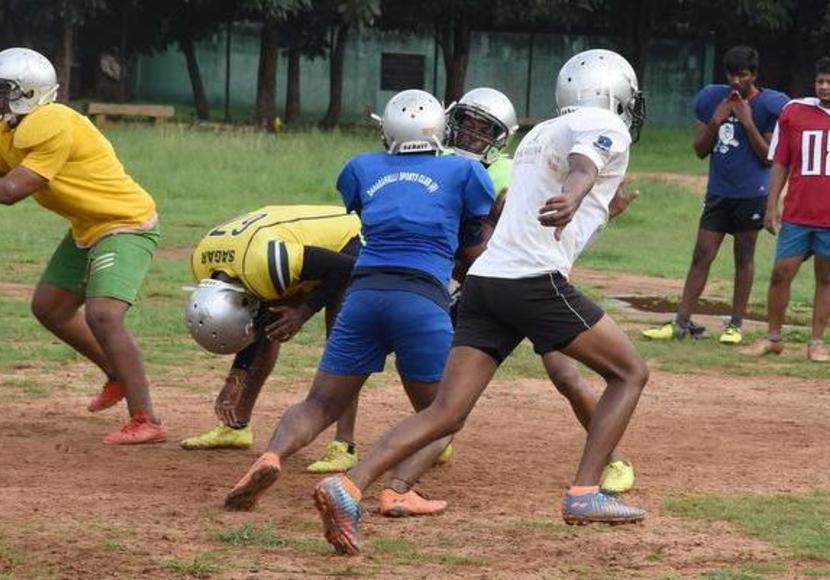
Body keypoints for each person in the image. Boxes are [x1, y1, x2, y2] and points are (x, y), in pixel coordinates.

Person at [313, 49, 650, 556]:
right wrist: (579, 192)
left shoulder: (539, 134)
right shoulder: (606, 124)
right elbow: (583, 166)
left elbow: (528, 205)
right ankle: (584, 492)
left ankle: (349, 485)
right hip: (532, 281)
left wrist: (593, 206)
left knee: (446, 412)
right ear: (615, 92)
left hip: (487, 282)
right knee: (629, 372)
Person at [223, 89, 495, 517]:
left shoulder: (362, 167)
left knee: (320, 403)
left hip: (362, 292)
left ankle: (271, 457)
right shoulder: (464, 171)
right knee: (443, 413)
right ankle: (398, 489)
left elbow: (369, 209)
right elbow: (472, 239)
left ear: (386, 129)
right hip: (421, 297)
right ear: (441, 129)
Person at [0, 48, 164, 444]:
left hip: (125, 222)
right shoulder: (9, 130)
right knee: (51, 307)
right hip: (89, 224)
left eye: (0, 91)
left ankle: (147, 419)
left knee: (104, 315)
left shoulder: (52, 122)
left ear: (26, 93)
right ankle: (116, 374)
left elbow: (10, 191)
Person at [445, 87, 639, 495]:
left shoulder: (506, 167)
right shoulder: (446, 165)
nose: (473, 135)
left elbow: (553, 221)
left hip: (510, 280)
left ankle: (612, 459)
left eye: (485, 129)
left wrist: (594, 208)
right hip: (513, 283)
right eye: (468, 124)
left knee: (565, 375)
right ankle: (591, 483)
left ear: (502, 135)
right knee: (450, 405)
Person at [181, 205, 367, 473]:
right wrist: (236, 376)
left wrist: (303, 311)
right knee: (271, 324)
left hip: (347, 243)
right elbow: (254, 316)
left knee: (341, 339)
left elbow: (348, 269)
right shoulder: (206, 270)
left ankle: (344, 445)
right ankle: (236, 427)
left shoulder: (265, 264)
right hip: (286, 252)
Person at [644, 46, 789, 344]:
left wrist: (747, 121)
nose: (736, 81)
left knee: (744, 257)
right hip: (718, 192)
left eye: (743, 75)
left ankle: (735, 325)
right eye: (731, 75)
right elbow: (699, 150)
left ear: (754, 75)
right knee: (701, 255)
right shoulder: (712, 98)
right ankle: (681, 323)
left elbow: (768, 158)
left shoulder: (771, 105)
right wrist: (717, 119)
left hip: (752, 193)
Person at [742, 57, 830, 363]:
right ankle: (773, 337)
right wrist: (771, 206)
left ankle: (816, 342)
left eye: (829, 82)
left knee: (826, 278)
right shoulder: (794, 112)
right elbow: (780, 162)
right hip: (798, 213)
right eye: (820, 81)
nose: (824, 86)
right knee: (781, 273)